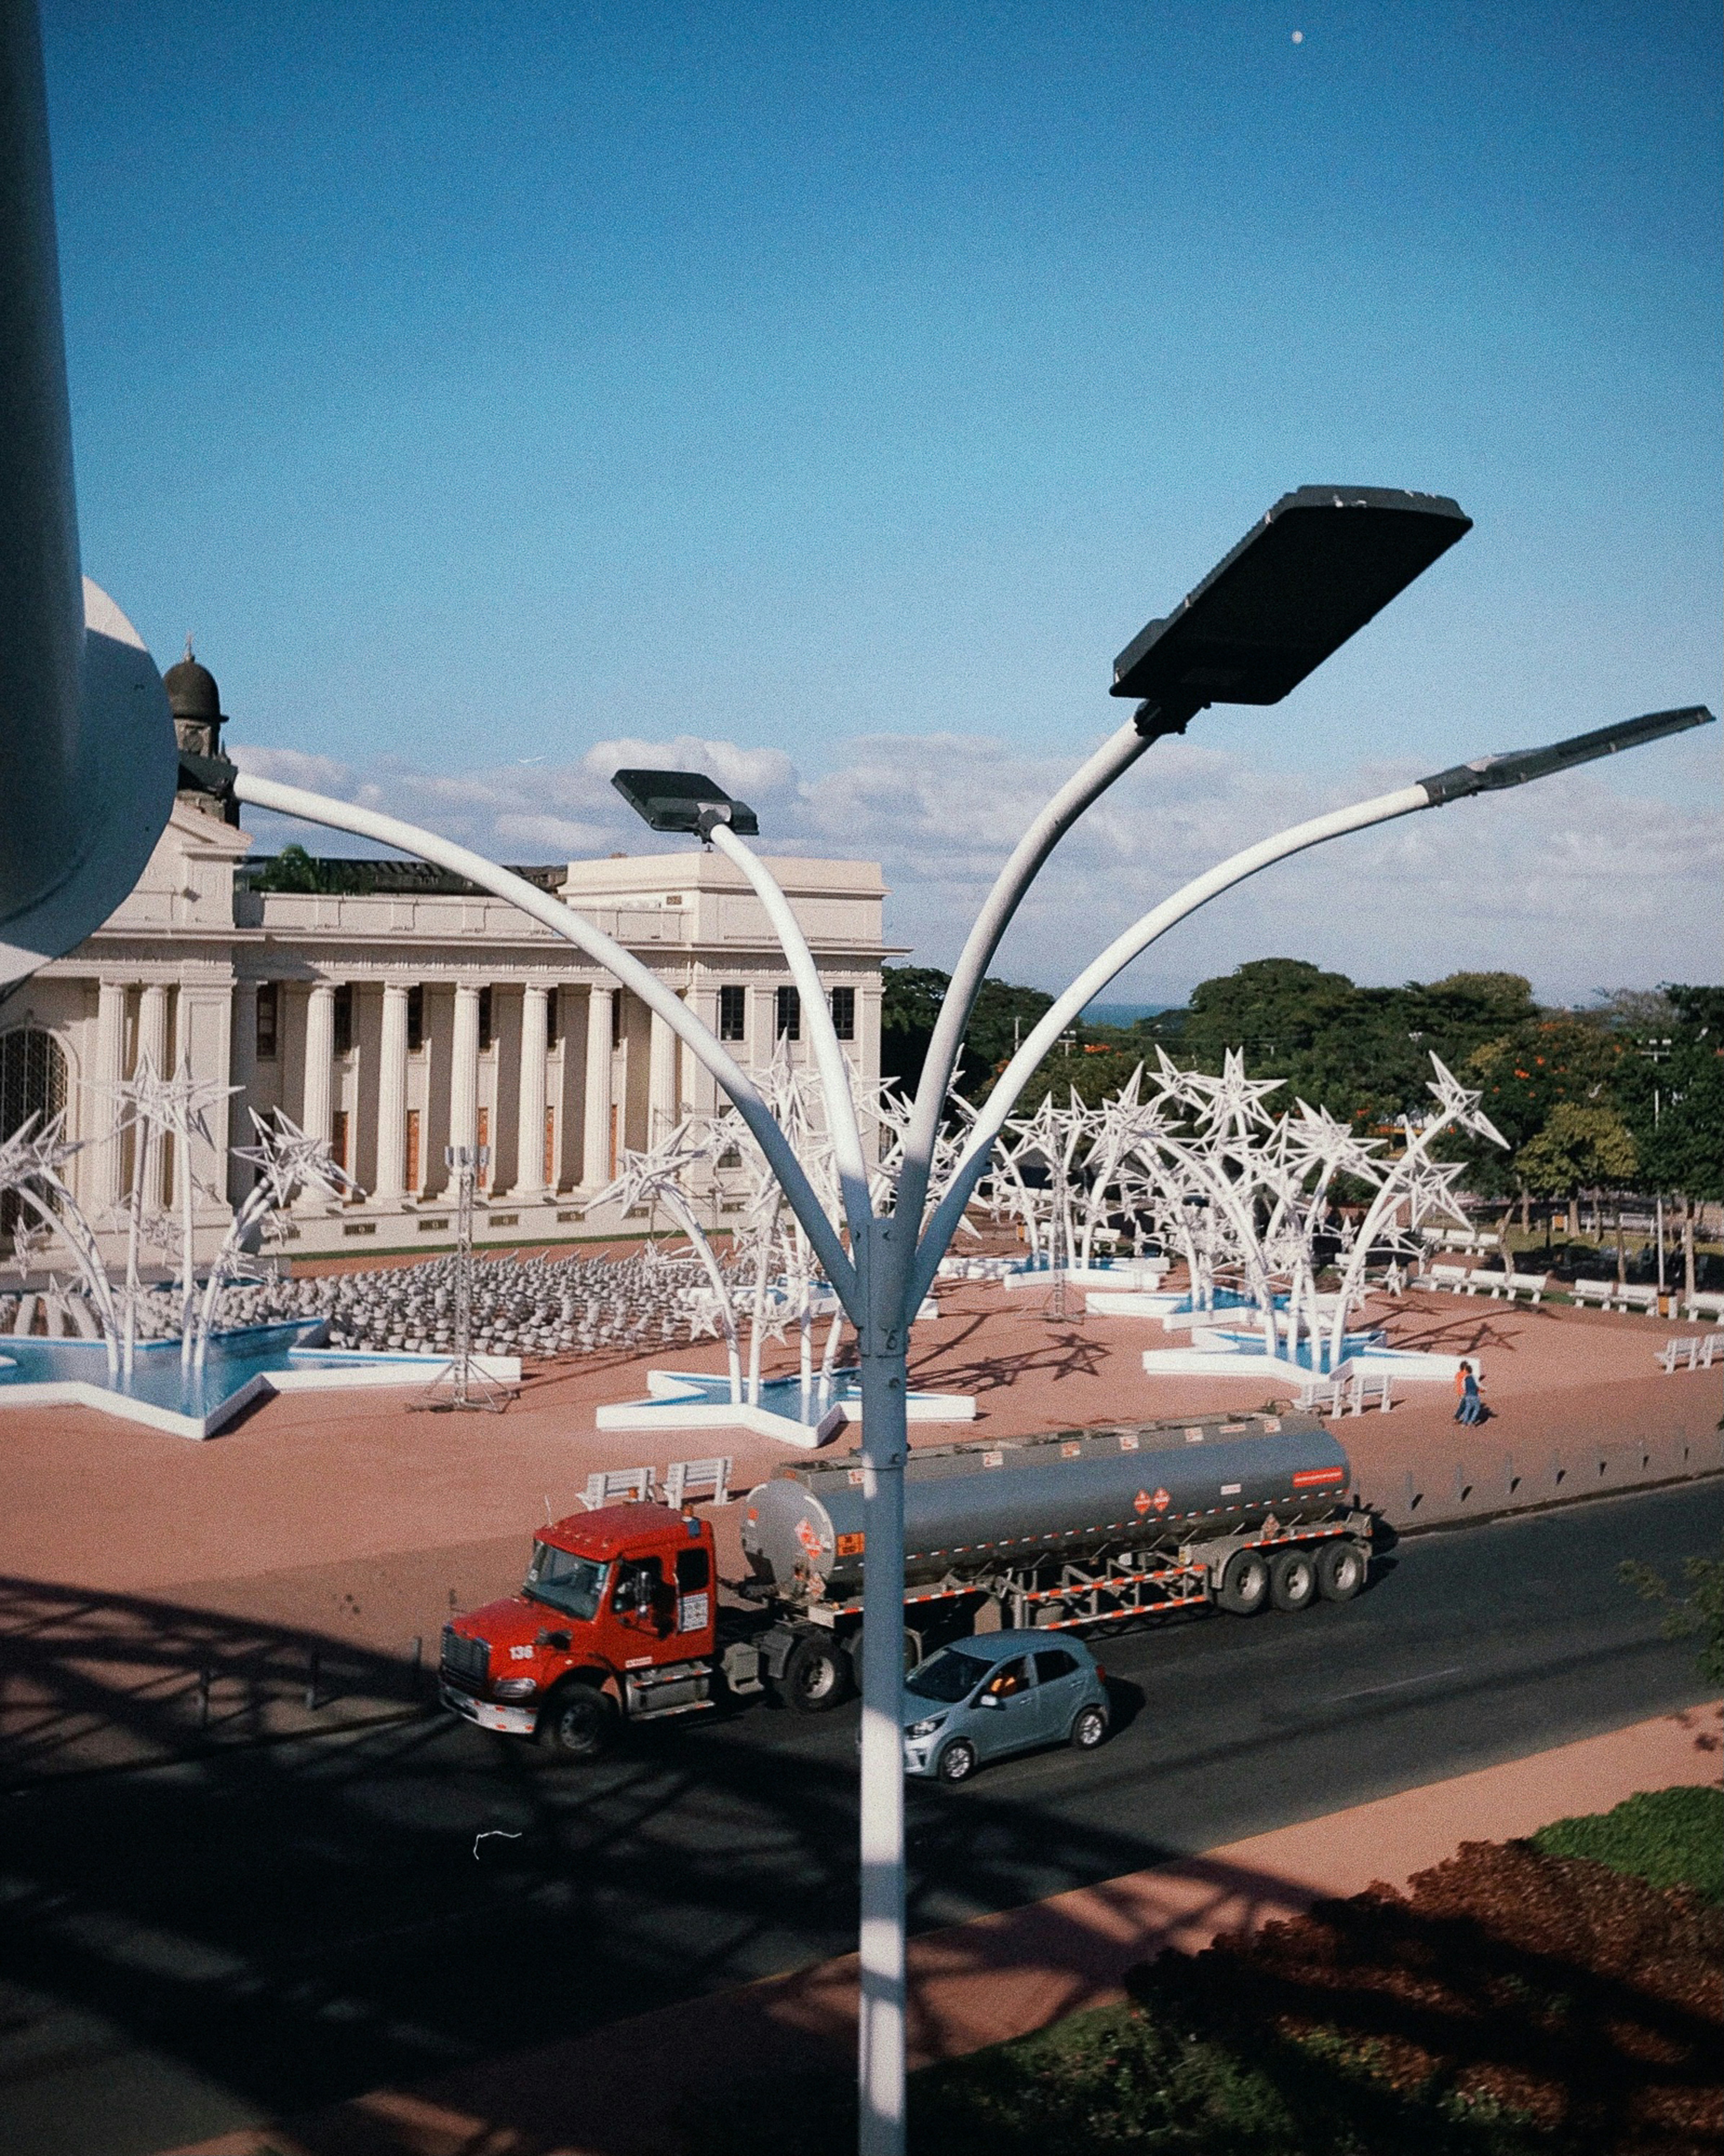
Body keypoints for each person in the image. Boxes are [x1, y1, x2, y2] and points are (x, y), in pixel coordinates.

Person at [1454, 1361, 1484, 1425]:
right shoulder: (1465, 1375)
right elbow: (1472, 1383)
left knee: (1464, 1406)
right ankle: (1467, 1421)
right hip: (1466, 1393)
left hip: (1461, 1393)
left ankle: (1458, 1418)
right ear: (1465, 1368)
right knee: (1467, 1406)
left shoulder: (1458, 1374)